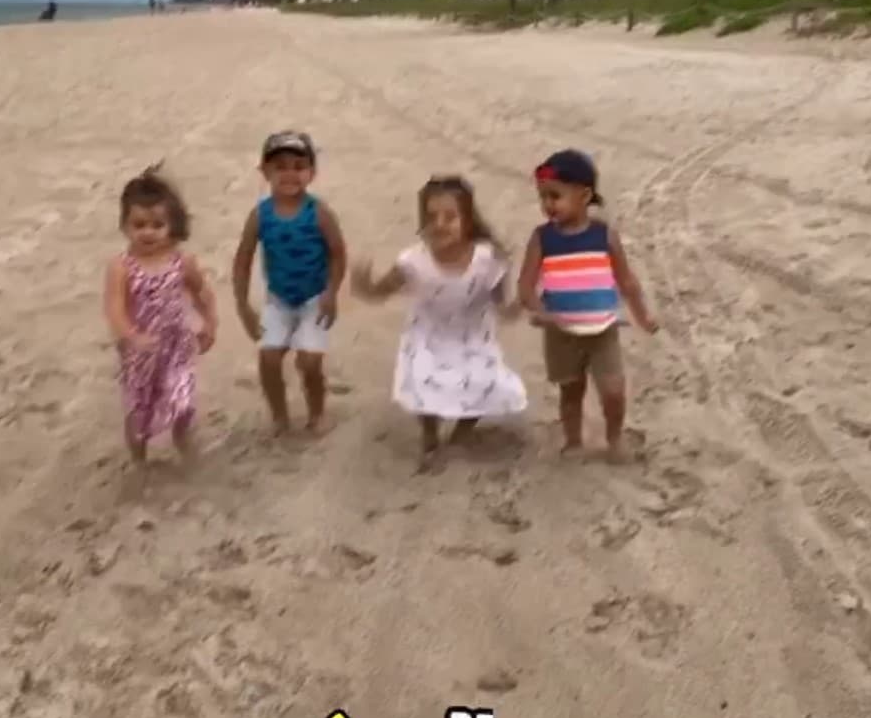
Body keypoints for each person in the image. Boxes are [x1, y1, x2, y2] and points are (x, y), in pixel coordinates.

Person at [352, 175, 526, 471]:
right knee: (423, 384)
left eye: (450, 216)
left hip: (472, 337)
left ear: (467, 221)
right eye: (431, 217)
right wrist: (365, 286)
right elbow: (380, 292)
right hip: (427, 335)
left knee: (483, 383)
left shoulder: (487, 260)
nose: (440, 224)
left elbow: (503, 307)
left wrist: (522, 304)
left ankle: (462, 432)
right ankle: (430, 436)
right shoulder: (413, 261)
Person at [518, 149, 657, 462]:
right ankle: (573, 440)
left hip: (603, 329)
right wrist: (540, 312)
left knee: (613, 390)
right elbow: (525, 286)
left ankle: (614, 437)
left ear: (584, 195)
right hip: (561, 332)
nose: (548, 204)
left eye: (556, 195)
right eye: (543, 197)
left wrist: (643, 316)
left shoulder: (604, 235)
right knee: (571, 392)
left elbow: (627, 281)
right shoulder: (542, 239)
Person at [232, 132, 347, 436]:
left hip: (314, 299)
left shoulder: (319, 213)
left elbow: (338, 253)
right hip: (279, 299)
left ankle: (317, 411)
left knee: (309, 363)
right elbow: (242, 260)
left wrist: (332, 293)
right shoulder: (260, 215)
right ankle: (280, 417)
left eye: (298, 166)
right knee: (268, 358)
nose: (290, 174)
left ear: (312, 172)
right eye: (280, 166)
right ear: (265, 171)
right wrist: (243, 305)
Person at [103, 165, 217, 465]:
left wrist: (210, 323)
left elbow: (202, 293)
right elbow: (114, 308)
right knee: (139, 413)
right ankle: (138, 458)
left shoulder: (182, 261)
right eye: (139, 225)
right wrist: (131, 336)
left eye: (157, 224)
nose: (148, 232)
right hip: (139, 354)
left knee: (182, 404)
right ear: (125, 226)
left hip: (176, 345)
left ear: (172, 224)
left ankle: (185, 447)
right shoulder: (121, 267)